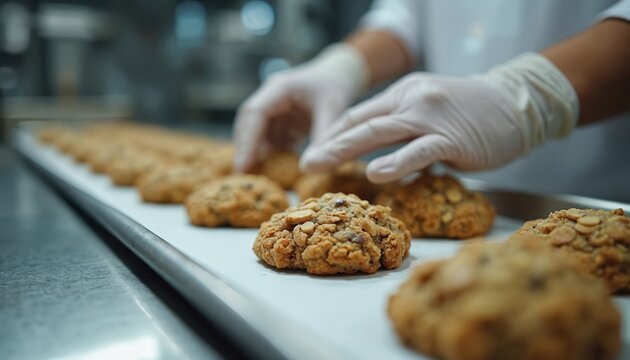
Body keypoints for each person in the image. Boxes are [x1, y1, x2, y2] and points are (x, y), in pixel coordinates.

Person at [233, 0, 630, 202]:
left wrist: (536, 94)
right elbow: (406, 16)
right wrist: (342, 66)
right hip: (447, 183)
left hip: (599, 196)